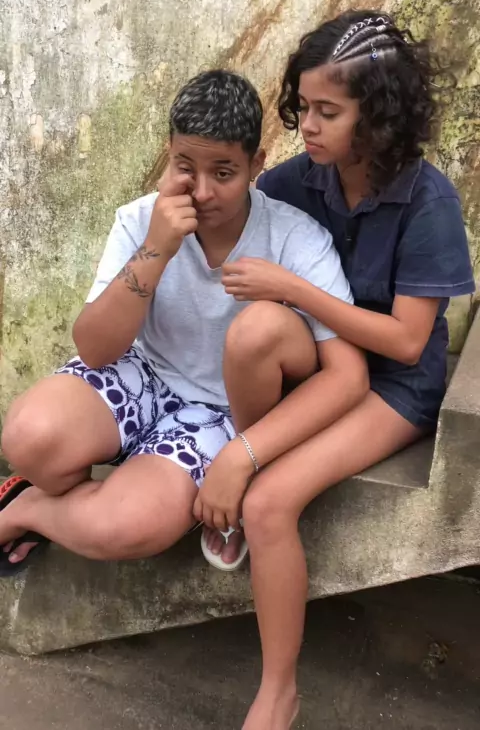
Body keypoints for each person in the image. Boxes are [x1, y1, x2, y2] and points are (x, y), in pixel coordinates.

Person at [196, 11, 475, 730]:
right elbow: (226, 225)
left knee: (268, 505)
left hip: (392, 388)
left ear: (377, 114)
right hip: (318, 370)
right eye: (304, 107)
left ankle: (278, 693)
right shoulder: (297, 181)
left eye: (329, 111)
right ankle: (250, 456)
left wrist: (294, 289)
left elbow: (408, 344)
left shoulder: (428, 201)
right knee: (258, 329)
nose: (309, 127)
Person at [0, 69, 367, 600]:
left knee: (126, 525)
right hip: (145, 373)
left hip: (226, 412)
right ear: (169, 154)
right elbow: (96, 350)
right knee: (29, 438)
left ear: (257, 165)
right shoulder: (141, 221)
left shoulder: (296, 239)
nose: (202, 191)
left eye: (224, 172)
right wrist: (157, 248)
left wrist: (244, 453)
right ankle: (56, 490)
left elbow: (347, 376)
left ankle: (27, 509)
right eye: (184, 168)